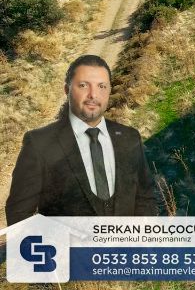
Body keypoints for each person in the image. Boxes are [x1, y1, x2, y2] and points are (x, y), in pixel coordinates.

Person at [5, 55, 159, 225]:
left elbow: (146, 198)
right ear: (67, 89)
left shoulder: (130, 138)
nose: (93, 95)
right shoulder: (39, 143)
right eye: (83, 85)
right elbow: (19, 213)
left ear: (109, 91)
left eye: (101, 86)